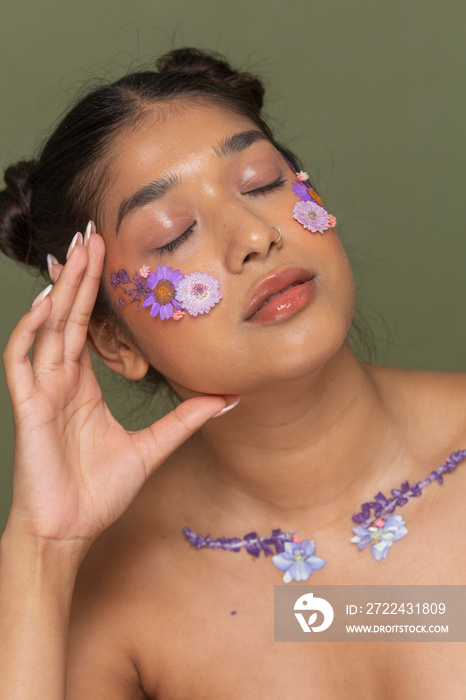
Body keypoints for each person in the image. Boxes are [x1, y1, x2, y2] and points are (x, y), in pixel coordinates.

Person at [0, 47, 465, 699]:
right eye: (172, 235)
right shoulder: (114, 604)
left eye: (261, 183)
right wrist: (41, 548)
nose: (253, 235)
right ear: (112, 340)